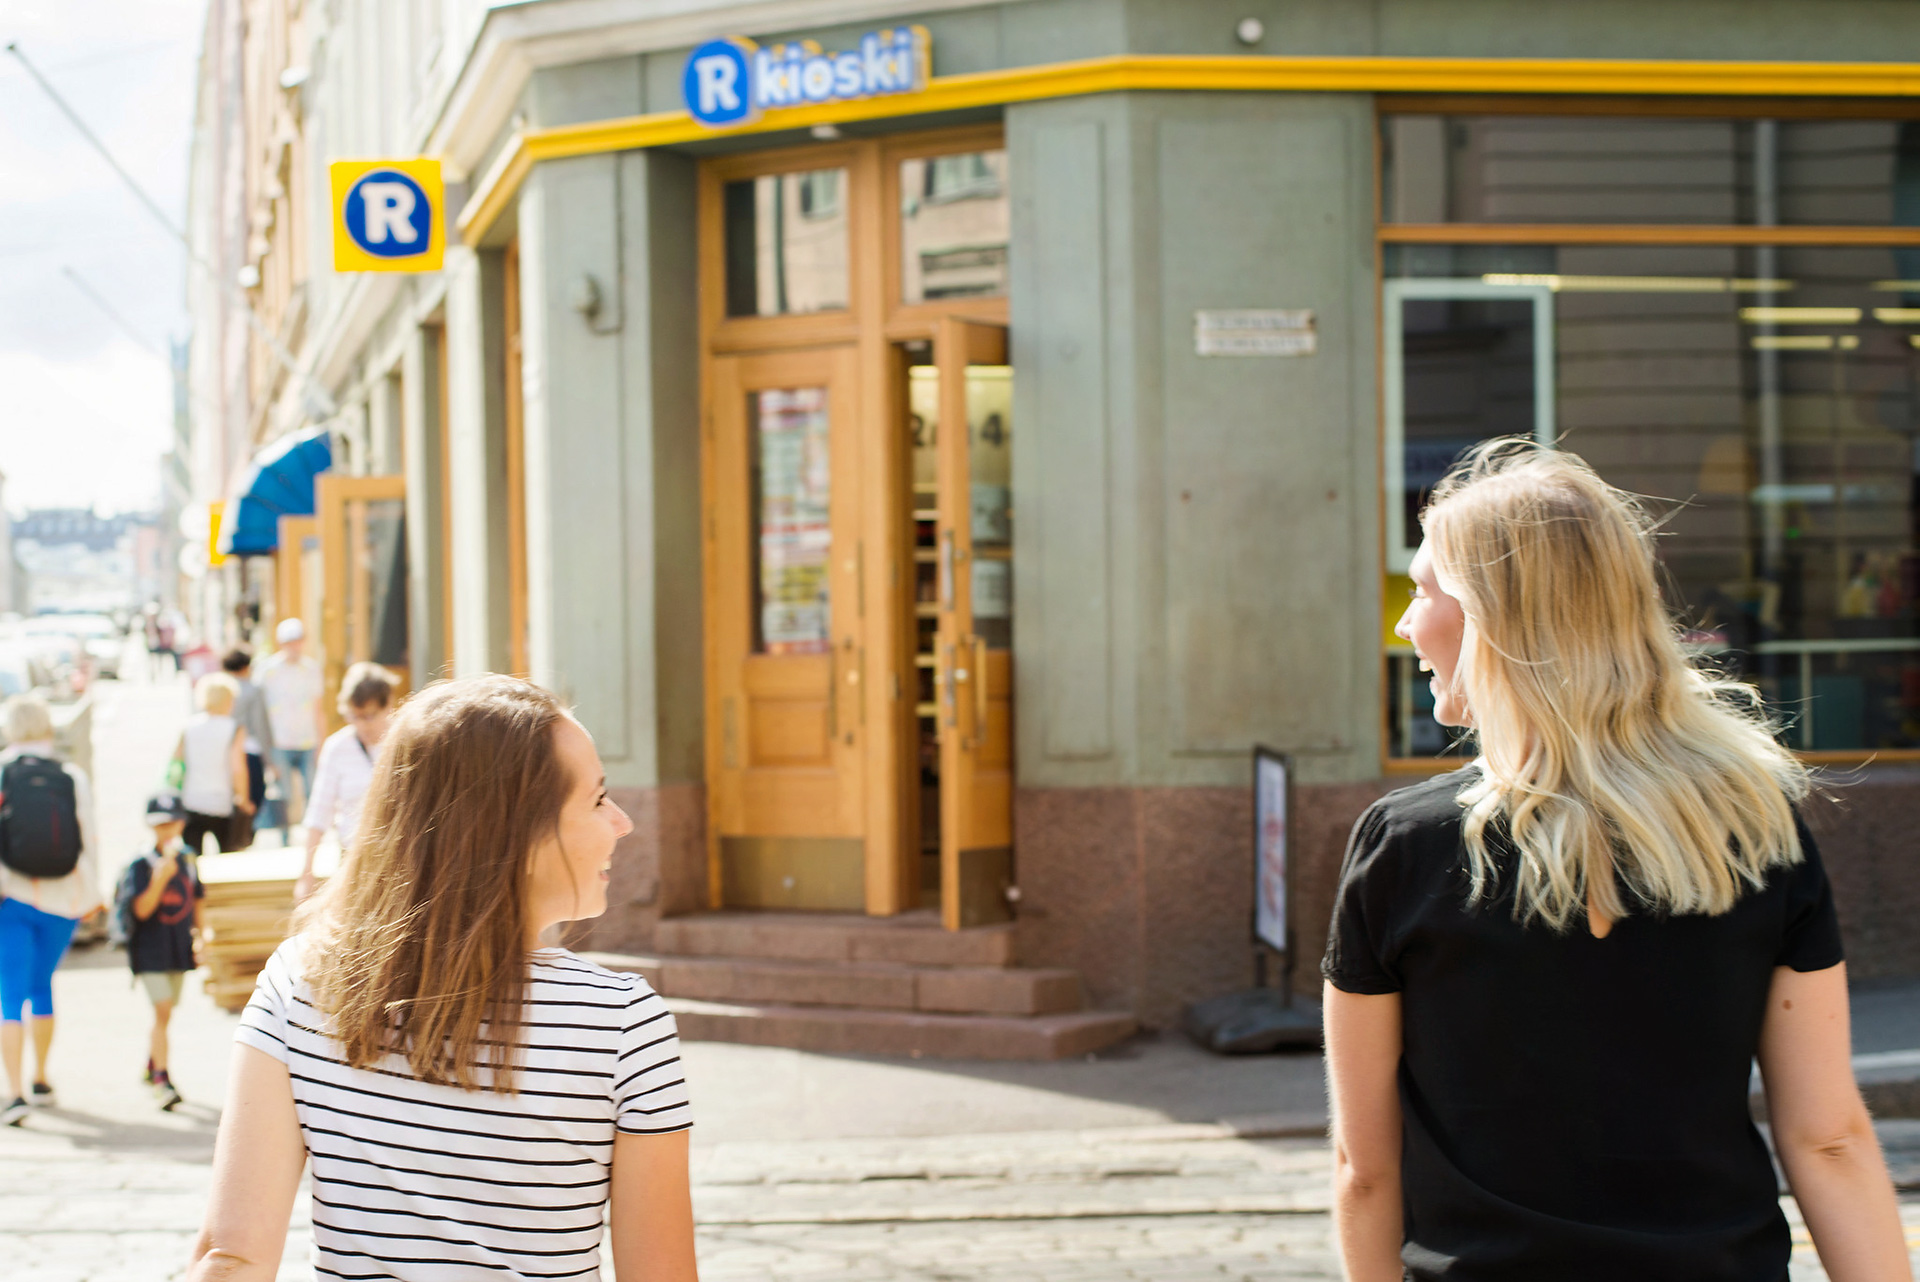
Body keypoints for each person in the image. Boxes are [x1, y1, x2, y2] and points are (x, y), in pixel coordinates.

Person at [1323, 441, 1911, 1282]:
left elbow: (1365, 1170)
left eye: (1423, 592)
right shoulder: (1753, 828)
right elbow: (1828, 1139)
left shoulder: (1405, 846)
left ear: (1496, 619)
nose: (1406, 624)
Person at [188, 675, 697, 1281]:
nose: (622, 822)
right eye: (597, 800)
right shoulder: (621, 1024)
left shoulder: (300, 983)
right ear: (517, 832)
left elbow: (232, 1258)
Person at [0, 694, 99, 1126]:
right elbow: (88, 837)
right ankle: (41, 1078)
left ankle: (15, 1093)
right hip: (63, 899)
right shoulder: (71, 776)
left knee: (9, 997)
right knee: (42, 987)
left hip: (11, 899)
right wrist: (93, 895)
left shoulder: (3, 771)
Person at [124, 793, 203, 1110]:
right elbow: (141, 910)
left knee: (167, 1013)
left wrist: (201, 938)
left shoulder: (188, 859)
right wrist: (160, 878)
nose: (167, 830)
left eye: (172, 823)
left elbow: (198, 899)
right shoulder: (141, 863)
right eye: (160, 825)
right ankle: (162, 1079)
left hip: (178, 947)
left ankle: (151, 1063)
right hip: (150, 950)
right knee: (163, 1009)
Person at [293, 661, 395, 903]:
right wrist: (307, 873)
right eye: (354, 716)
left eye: (369, 716)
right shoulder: (337, 748)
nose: (362, 725)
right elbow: (320, 810)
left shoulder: (404, 742)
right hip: (353, 859)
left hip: (397, 860)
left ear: (388, 706)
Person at [257, 618, 322, 844]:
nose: (294, 646)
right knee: (284, 793)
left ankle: (312, 838)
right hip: (280, 741)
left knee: (312, 791)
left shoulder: (311, 669)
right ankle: (285, 837)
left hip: (307, 739)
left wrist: (320, 741)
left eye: (298, 640)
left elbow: (318, 708)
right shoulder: (267, 670)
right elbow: (260, 710)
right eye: (289, 641)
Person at [173, 674, 254, 856]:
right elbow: (238, 768)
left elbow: (177, 762)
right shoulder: (234, 728)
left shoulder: (189, 726)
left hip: (191, 800)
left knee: (194, 860)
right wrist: (243, 799)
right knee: (227, 859)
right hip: (221, 802)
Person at [222, 649, 274, 847]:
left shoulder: (219, 687)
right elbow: (260, 725)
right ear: (246, 667)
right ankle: (245, 837)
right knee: (254, 796)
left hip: (224, 751)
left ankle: (234, 837)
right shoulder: (253, 689)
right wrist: (270, 760)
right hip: (249, 749)